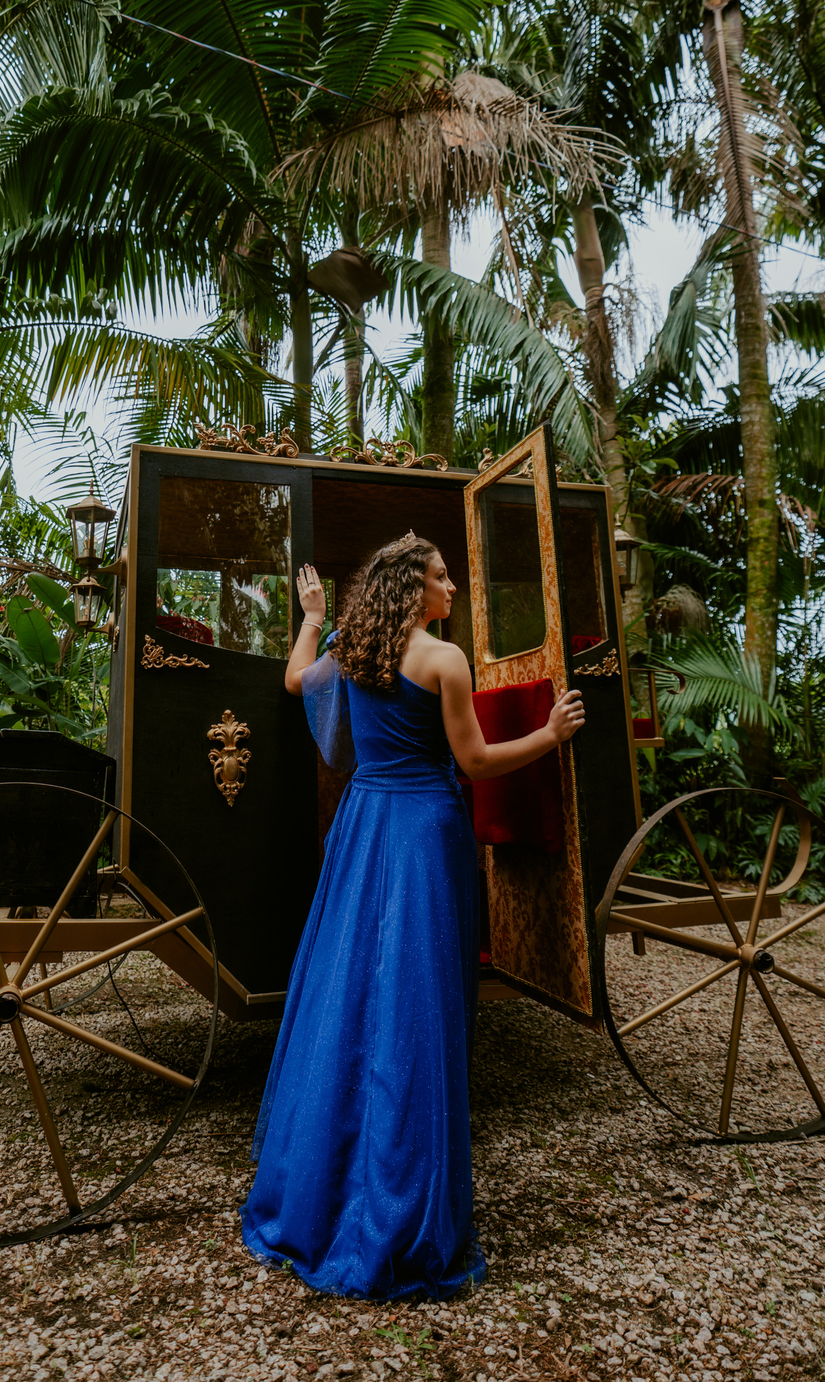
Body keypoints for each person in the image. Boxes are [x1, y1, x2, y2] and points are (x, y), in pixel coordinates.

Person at [240, 533, 585, 1301]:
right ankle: (403, 1214)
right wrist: (549, 735)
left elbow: (298, 681)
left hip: (364, 828)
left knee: (349, 991)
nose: (452, 586)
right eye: (440, 576)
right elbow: (475, 763)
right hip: (424, 832)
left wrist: (311, 614)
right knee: (416, 1002)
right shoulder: (443, 660)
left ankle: (317, 1189)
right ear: (413, 587)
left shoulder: (352, 648)